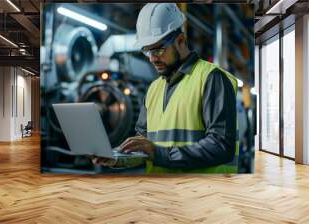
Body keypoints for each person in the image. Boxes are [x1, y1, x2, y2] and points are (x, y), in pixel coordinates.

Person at [93, 3, 239, 173]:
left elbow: (221, 146)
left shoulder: (211, 78)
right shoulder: (154, 89)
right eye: (147, 52)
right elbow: (144, 147)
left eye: (159, 50)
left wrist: (160, 153)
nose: (153, 59)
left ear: (180, 41)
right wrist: (118, 158)